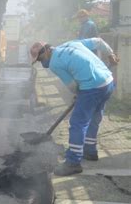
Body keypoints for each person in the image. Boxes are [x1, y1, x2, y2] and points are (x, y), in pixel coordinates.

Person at [30, 38, 119, 176]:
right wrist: (110, 54)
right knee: (94, 117)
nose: (42, 62)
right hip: (108, 82)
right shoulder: (72, 44)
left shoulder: (54, 63)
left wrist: (80, 94)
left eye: (41, 58)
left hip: (92, 87)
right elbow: (99, 41)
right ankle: (90, 151)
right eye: (39, 61)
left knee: (78, 123)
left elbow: (72, 85)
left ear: (47, 50)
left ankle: (73, 162)